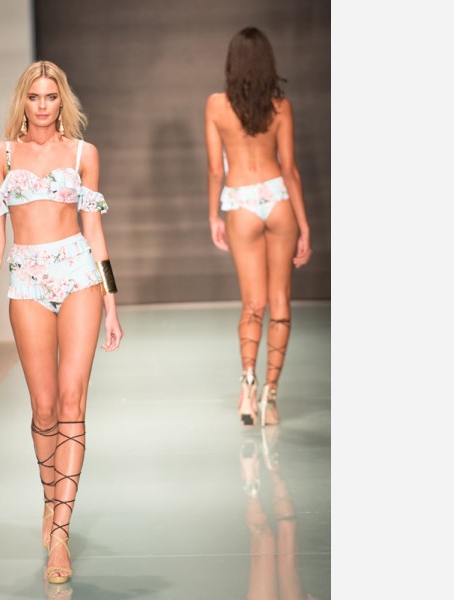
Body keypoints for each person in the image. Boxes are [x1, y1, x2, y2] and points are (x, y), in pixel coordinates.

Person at [0, 60, 123, 585]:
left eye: (51, 97)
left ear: (62, 101)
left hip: (78, 273)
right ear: (23, 100)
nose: (42, 106)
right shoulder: (0, 155)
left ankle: (61, 530)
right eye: (34, 97)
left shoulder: (83, 154)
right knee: (43, 408)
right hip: (26, 279)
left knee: (71, 400)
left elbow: (94, 231)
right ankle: (49, 498)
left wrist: (110, 301)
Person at [205, 26, 312, 428]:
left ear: (232, 63)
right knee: (280, 301)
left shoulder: (216, 106)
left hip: (242, 202)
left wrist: (213, 215)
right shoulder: (280, 107)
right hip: (278, 199)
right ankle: (271, 396)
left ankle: (248, 386)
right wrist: (304, 226)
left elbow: (216, 170)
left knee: (253, 303)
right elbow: (290, 170)